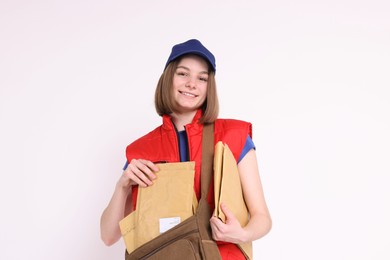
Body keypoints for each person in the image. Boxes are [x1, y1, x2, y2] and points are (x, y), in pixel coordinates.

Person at [100, 39, 272, 259]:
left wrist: (242, 233)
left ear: (209, 88)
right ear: (168, 78)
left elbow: (262, 217)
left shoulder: (234, 136)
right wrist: (122, 187)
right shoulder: (142, 150)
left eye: (202, 78)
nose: (192, 83)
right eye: (183, 74)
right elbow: (108, 236)